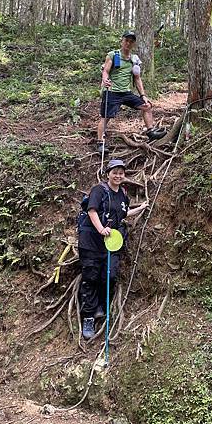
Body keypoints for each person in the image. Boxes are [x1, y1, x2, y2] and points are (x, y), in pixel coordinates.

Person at [77, 158, 148, 340]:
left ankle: (102, 307)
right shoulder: (99, 190)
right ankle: (88, 318)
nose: (118, 175)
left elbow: (123, 214)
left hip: (111, 244)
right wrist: (101, 229)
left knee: (109, 276)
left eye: (121, 172)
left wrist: (140, 208)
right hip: (92, 243)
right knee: (90, 279)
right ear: (108, 173)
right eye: (114, 172)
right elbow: (92, 211)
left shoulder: (123, 194)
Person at [96, 31, 166, 154]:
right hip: (112, 91)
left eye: (131, 41)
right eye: (126, 40)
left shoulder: (134, 59)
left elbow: (137, 79)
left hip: (126, 93)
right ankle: (100, 143)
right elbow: (106, 71)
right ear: (122, 41)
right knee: (105, 117)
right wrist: (105, 79)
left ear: (133, 44)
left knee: (146, 106)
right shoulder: (113, 55)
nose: (128, 43)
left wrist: (143, 95)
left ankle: (151, 132)